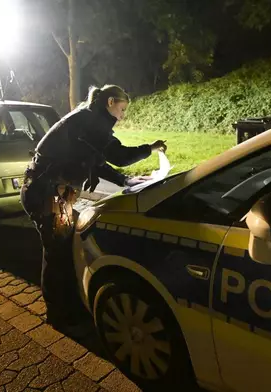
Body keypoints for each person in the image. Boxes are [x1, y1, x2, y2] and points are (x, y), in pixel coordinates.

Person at [21, 84, 167, 335]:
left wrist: (125, 181)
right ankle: (59, 315)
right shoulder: (92, 121)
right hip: (47, 193)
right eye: (121, 109)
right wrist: (151, 148)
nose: (122, 116)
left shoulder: (87, 118)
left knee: (63, 249)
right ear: (110, 102)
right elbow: (118, 155)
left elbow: (97, 161)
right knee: (56, 254)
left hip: (48, 191)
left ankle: (67, 308)